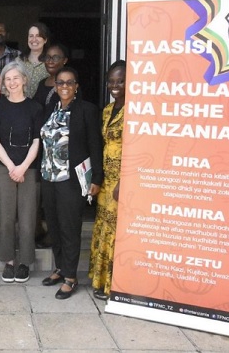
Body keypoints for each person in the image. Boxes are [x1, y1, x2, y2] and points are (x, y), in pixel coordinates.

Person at [40, 66, 103, 300]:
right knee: (54, 226)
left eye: (69, 82)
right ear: (55, 86)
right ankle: (60, 268)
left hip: (71, 180)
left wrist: (97, 178)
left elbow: (95, 145)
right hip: (49, 178)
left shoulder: (87, 110)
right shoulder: (50, 108)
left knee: (69, 228)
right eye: (60, 83)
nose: (64, 86)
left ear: (76, 86)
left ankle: (71, 277)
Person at [0, 61, 43, 283]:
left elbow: (37, 140)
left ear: (24, 80)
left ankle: (25, 263)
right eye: (7, 79)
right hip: (4, 169)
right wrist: (12, 167)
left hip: (29, 169)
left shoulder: (35, 108)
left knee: (28, 219)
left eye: (16, 78)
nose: (12, 82)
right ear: (3, 83)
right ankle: (9, 261)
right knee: (6, 218)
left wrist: (23, 167)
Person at [89, 60, 126, 300]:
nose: (115, 85)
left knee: (116, 231)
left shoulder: (136, 111)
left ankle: (115, 284)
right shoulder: (106, 110)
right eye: (111, 81)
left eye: (120, 81)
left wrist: (124, 183)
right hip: (105, 180)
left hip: (122, 181)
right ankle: (100, 280)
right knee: (103, 226)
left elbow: (138, 149)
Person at [32, 42, 69, 119]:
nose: (50, 61)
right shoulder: (42, 83)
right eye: (47, 57)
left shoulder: (69, 85)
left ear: (64, 60)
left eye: (55, 58)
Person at [18, 22, 50, 98]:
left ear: (45, 40)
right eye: (31, 36)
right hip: (21, 103)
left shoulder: (50, 62)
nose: (34, 39)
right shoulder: (19, 61)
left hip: (43, 103)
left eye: (38, 36)